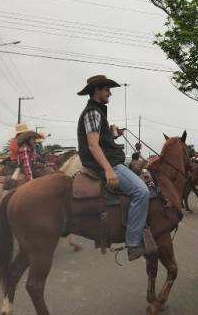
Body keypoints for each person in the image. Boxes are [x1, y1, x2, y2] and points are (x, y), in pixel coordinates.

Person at [77, 75, 155, 261]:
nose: (109, 93)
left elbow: (102, 139)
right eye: (107, 90)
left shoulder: (98, 112)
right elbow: (93, 145)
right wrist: (109, 170)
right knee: (142, 191)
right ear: (97, 91)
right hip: (106, 164)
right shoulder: (93, 112)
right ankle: (133, 242)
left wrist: (114, 133)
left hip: (110, 161)